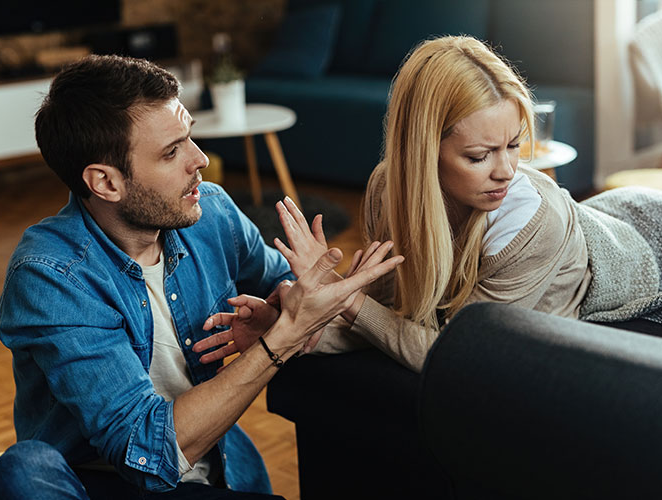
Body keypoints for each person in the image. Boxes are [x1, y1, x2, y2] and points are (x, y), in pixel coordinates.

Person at [0, 54, 404, 500]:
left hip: (211, 473)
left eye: (190, 138)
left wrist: (296, 300)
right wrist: (280, 339)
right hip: (99, 484)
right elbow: (144, 451)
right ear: (105, 183)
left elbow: (288, 291)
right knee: (21, 472)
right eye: (171, 152)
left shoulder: (212, 212)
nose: (200, 160)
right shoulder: (50, 276)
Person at [247, 35, 662, 374]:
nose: (505, 171)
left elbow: (460, 354)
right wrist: (291, 331)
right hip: (611, 214)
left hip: (644, 242)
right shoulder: (387, 189)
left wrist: (344, 296)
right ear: (422, 152)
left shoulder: (531, 223)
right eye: (480, 156)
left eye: (515, 146)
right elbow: (393, 316)